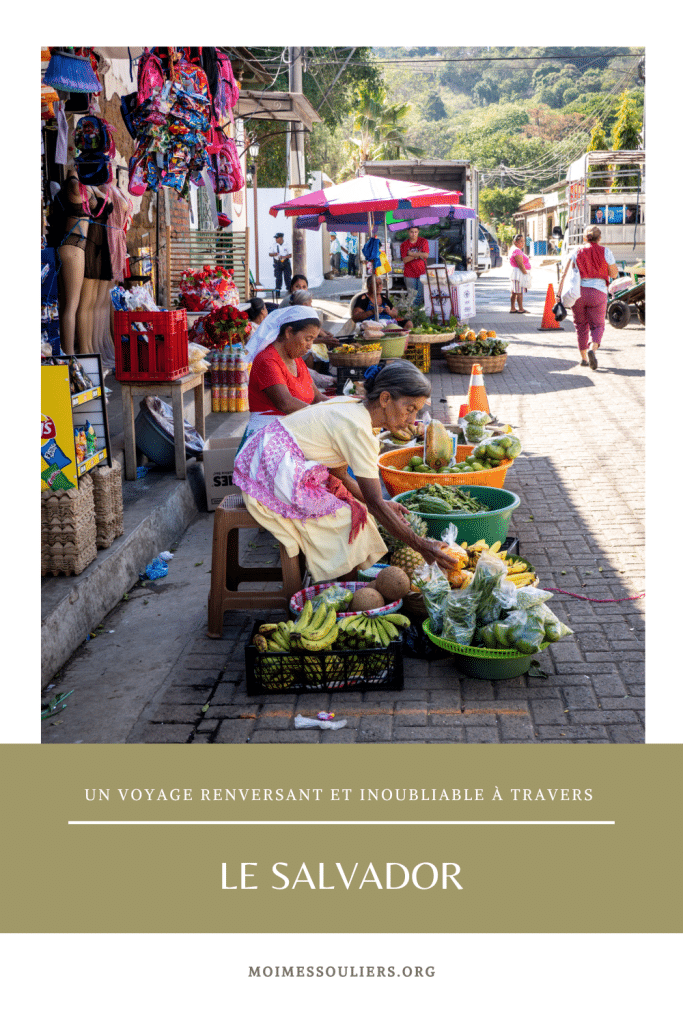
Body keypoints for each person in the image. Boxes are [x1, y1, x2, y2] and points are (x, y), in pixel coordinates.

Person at [233, 361, 459, 583]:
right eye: (409, 409)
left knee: (357, 509)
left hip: (265, 453)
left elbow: (341, 475)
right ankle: (341, 589)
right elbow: (375, 504)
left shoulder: (354, 407)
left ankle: (342, 582)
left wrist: (379, 503)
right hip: (268, 467)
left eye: (416, 411)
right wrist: (421, 546)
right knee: (348, 520)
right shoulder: (359, 429)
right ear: (385, 398)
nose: (411, 419)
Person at [243, 306, 326, 437]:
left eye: (313, 340)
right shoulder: (267, 360)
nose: (310, 346)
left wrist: (347, 404)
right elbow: (286, 403)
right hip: (267, 436)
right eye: (308, 339)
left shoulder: (297, 360)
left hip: (292, 430)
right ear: (288, 332)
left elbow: (318, 397)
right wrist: (326, 414)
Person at [558, 226, 618, 370]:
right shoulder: (606, 252)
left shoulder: (576, 251)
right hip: (598, 293)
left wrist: (558, 295)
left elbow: (564, 274)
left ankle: (584, 358)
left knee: (580, 326)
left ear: (585, 238)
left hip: (578, 294)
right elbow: (614, 274)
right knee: (598, 325)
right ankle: (593, 347)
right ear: (600, 238)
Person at [400, 226, 429, 308]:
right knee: (411, 296)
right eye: (412, 232)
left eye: (415, 232)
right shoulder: (404, 244)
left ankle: (416, 312)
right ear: (408, 232)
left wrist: (411, 254)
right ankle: (411, 313)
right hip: (409, 274)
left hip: (422, 272)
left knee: (420, 295)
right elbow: (405, 260)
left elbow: (426, 255)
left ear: (418, 232)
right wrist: (419, 255)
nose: (414, 234)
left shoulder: (423, 241)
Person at [508, 234, 532, 313]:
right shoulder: (517, 250)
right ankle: (521, 309)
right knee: (519, 292)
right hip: (518, 273)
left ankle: (513, 308)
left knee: (514, 292)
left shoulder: (513, 249)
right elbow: (520, 264)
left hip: (515, 272)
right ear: (515, 242)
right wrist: (525, 273)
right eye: (521, 241)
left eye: (523, 241)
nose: (523, 243)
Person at [269, 231, 292, 297]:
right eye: (275, 238)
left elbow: (290, 255)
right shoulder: (274, 245)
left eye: (277, 238)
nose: (276, 239)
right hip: (277, 263)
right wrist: (275, 254)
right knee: (278, 278)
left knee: (287, 278)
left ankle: (290, 292)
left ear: (281, 238)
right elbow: (270, 254)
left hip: (285, 262)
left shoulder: (287, 245)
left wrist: (284, 257)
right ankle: (278, 292)